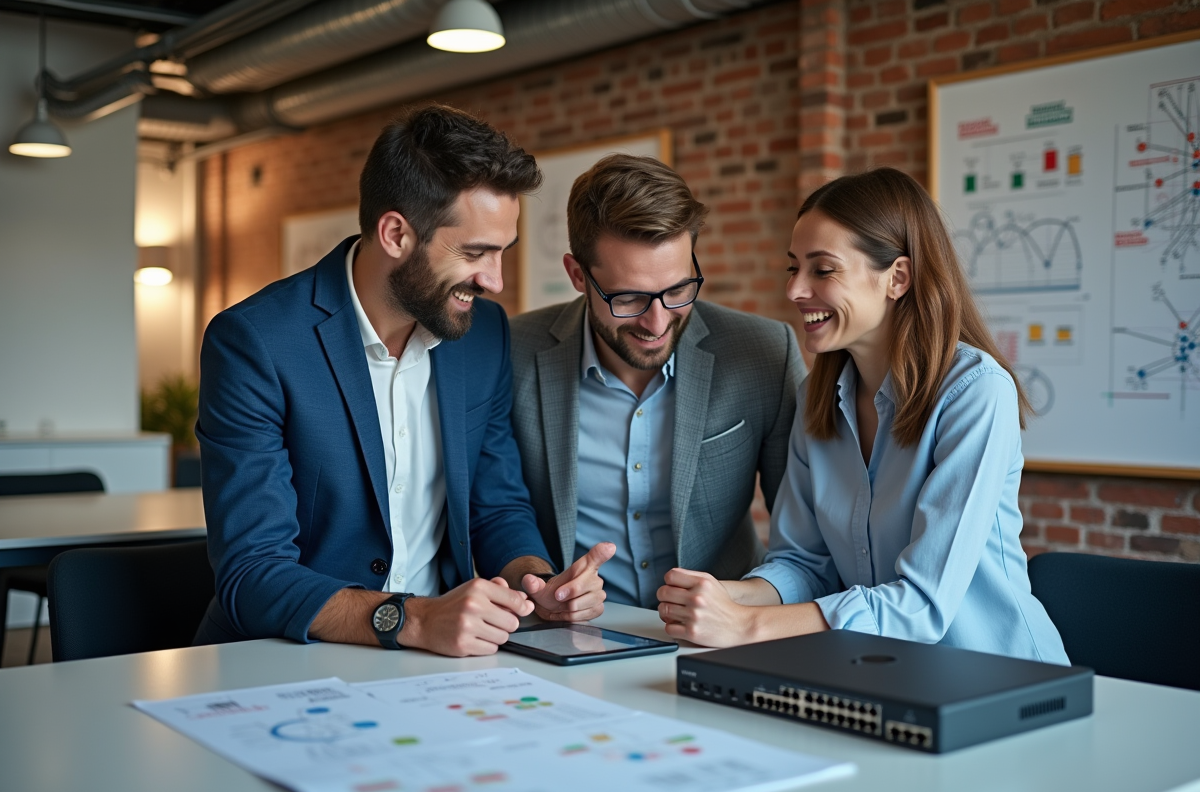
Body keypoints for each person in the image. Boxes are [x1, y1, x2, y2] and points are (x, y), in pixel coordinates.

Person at [194, 105, 614, 656]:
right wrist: (414, 619)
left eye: (502, 253)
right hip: (286, 656)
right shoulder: (256, 342)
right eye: (475, 252)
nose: (495, 280)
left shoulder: (484, 335)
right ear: (396, 234)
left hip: (442, 660)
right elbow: (252, 573)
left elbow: (497, 507)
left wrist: (537, 583)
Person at [656, 167, 1069, 664]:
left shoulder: (975, 392)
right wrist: (724, 596)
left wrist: (746, 625)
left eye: (822, 270)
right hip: (880, 671)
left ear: (897, 278)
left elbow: (921, 605)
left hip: (1000, 674)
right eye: (793, 268)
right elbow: (805, 564)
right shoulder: (816, 399)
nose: (794, 290)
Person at [510, 154, 805, 610]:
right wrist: (541, 584)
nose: (657, 321)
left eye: (678, 290)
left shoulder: (765, 353)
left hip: (724, 630)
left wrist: (741, 603)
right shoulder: (513, 353)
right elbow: (499, 510)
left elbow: (807, 542)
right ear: (577, 275)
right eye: (629, 298)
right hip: (576, 633)